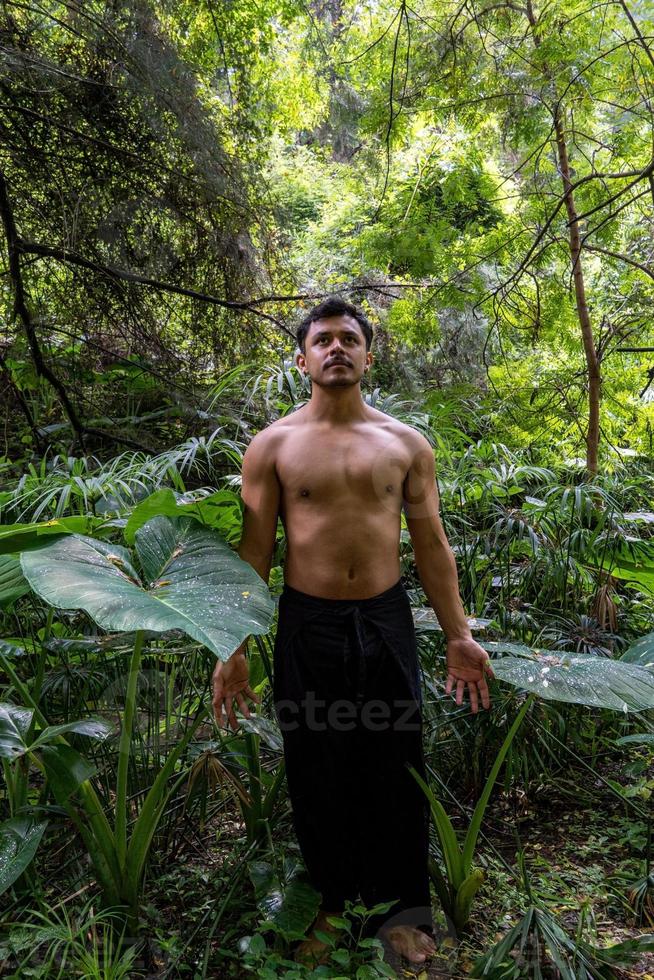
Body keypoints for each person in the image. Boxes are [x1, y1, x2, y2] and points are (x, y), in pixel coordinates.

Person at [212, 296, 494, 967]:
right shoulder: (274, 445)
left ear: (369, 354)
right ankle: (331, 907)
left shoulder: (404, 445)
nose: (336, 348)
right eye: (322, 340)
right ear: (302, 357)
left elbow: (430, 543)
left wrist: (459, 634)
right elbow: (254, 552)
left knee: (395, 763)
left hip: (386, 618)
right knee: (316, 763)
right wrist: (235, 645)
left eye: (349, 339)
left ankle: (400, 912)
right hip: (308, 623)